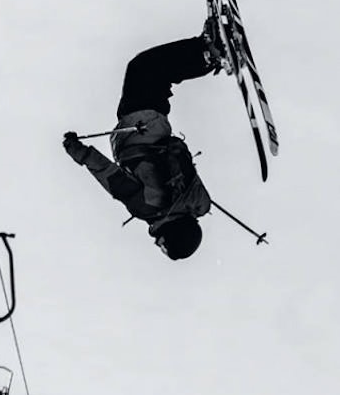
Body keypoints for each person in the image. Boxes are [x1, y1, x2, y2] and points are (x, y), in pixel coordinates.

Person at [63, 18, 228, 260]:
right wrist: (79, 152)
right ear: (174, 234)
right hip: (141, 128)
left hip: (151, 129)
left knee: (154, 72)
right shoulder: (147, 207)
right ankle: (207, 53)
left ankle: (206, 52)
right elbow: (110, 176)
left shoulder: (182, 202)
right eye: (164, 245)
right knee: (144, 68)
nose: (157, 244)